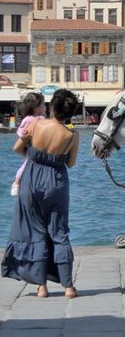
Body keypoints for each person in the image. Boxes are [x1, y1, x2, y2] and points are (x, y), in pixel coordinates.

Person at [1, 89, 80, 298]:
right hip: (57, 182)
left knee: (36, 231)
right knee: (60, 233)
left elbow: (17, 147)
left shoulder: (35, 124)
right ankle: (69, 287)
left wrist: (34, 154)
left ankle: (41, 287)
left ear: (52, 108)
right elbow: (71, 164)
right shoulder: (72, 135)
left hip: (32, 178)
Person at [11, 92, 46, 197]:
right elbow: (20, 131)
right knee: (26, 163)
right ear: (36, 107)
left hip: (36, 148)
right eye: (43, 105)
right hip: (31, 146)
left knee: (27, 162)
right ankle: (16, 182)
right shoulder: (29, 119)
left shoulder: (41, 118)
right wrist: (24, 134)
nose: (45, 107)